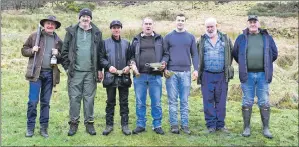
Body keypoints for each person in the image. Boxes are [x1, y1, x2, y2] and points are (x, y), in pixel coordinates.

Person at [232, 15, 278, 139]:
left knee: (263, 101)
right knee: (247, 101)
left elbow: (274, 54)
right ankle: (246, 128)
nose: (253, 24)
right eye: (250, 22)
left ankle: (266, 128)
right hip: (247, 75)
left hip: (263, 75)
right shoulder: (241, 38)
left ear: (258, 24)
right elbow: (236, 54)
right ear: (248, 24)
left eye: (255, 22)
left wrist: (265, 63)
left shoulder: (267, 38)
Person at [61, 8, 103, 136]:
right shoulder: (71, 32)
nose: (85, 18)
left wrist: (100, 69)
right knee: (74, 98)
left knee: (89, 99)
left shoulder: (97, 33)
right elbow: (64, 51)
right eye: (83, 16)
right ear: (79, 18)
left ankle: (89, 124)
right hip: (75, 73)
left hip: (91, 73)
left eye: (88, 16)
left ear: (91, 19)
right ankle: (73, 124)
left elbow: (100, 53)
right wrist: (68, 68)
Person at [21, 15, 63, 138]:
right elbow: (24, 50)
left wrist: (58, 54)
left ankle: (44, 129)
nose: (50, 25)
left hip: (50, 75)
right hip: (35, 74)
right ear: (44, 25)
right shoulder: (35, 36)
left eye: (52, 24)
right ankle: (30, 128)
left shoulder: (58, 40)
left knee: (45, 103)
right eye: (48, 23)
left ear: (55, 26)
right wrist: (32, 50)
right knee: (33, 102)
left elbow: (62, 58)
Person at [129, 17, 169, 135]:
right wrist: (132, 64)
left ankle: (157, 125)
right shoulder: (136, 39)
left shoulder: (159, 39)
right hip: (140, 75)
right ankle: (141, 124)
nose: (148, 26)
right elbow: (131, 56)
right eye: (146, 24)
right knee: (140, 101)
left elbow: (166, 54)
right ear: (142, 26)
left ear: (153, 25)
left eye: (150, 24)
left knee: (156, 101)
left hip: (155, 75)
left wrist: (163, 63)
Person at [197, 17, 234, 133]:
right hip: (207, 75)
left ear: (216, 26)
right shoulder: (201, 40)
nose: (209, 29)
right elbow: (196, 56)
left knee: (221, 100)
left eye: (211, 26)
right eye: (207, 27)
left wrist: (227, 68)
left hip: (222, 75)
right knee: (208, 101)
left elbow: (231, 54)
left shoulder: (226, 39)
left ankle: (220, 125)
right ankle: (211, 125)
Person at [164, 13, 199, 135]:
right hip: (172, 73)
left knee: (184, 100)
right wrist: (165, 69)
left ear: (185, 22)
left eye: (182, 20)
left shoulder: (190, 37)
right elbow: (165, 54)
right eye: (178, 20)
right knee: (172, 100)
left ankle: (185, 124)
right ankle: (174, 124)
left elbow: (194, 54)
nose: (180, 22)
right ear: (175, 21)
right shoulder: (168, 37)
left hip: (186, 73)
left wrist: (196, 69)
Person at [100, 20, 132, 136]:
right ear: (111, 29)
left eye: (118, 27)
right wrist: (108, 66)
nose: (116, 29)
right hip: (110, 77)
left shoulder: (127, 43)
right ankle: (109, 125)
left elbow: (131, 58)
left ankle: (125, 125)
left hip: (124, 77)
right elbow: (101, 58)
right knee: (110, 102)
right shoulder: (104, 43)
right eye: (114, 27)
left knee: (124, 102)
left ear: (120, 29)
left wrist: (129, 66)